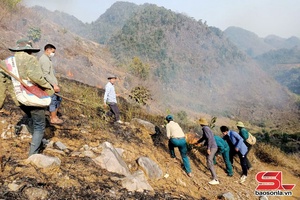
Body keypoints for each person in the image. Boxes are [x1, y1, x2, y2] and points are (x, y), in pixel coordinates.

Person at [8, 38, 54, 156]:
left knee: (32, 118)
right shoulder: (30, 59)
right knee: (40, 125)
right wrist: (49, 88)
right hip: (33, 97)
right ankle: (33, 154)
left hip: (20, 98)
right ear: (29, 50)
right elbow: (37, 77)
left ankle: (36, 142)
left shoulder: (10, 61)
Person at [39, 44, 63, 124]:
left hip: (52, 84)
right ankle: (53, 118)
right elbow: (45, 74)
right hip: (50, 85)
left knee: (58, 99)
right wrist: (54, 85)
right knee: (53, 100)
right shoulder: (44, 60)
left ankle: (54, 116)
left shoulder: (47, 59)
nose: (53, 54)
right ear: (47, 50)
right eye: (53, 52)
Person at [196, 118, 219, 185]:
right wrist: (198, 142)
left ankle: (215, 179)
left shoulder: (205, 129)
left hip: (212, 147)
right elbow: (204, 137)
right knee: (209, 160)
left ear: (201, 123)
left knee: (209, 160)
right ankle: (214, 176)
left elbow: (209, 138)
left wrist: (208, 148)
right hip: (213, 146)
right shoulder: (207, 128)